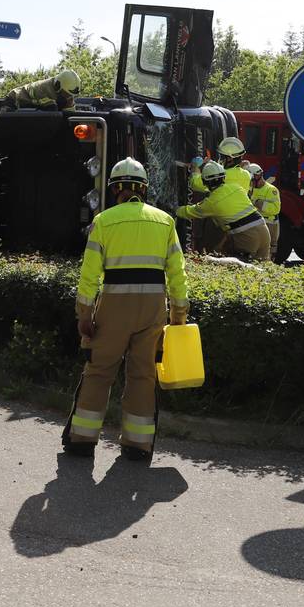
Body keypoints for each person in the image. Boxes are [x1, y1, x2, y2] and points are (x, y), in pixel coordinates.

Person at [64, 157, 188, 462]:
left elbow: (89, 275)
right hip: (152, 309)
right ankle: (138, 445)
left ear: (115, 189)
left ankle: (82, 440)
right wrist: (179, 314)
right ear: (143, 189)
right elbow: (177, 272)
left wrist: (84, 316)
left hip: (113, 308)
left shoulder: (103, 221)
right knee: (143, 375)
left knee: (99, 371)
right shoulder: (165, 221)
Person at [177, 160, 270, 261]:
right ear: (224, 177)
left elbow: (189, 212)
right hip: (264, 231)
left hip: (246, 237)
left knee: (231, 266)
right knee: (262, 267)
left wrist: (174, 210)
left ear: (204, 182)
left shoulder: (211, 202)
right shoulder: (236, 187)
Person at [249, 165, 282, 262]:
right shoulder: (251, 189)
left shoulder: (271, 190)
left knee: (268, 255)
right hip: (256, 223)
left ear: (258, 176)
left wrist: (258, 202)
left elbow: (275, 209)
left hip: (269, 225)